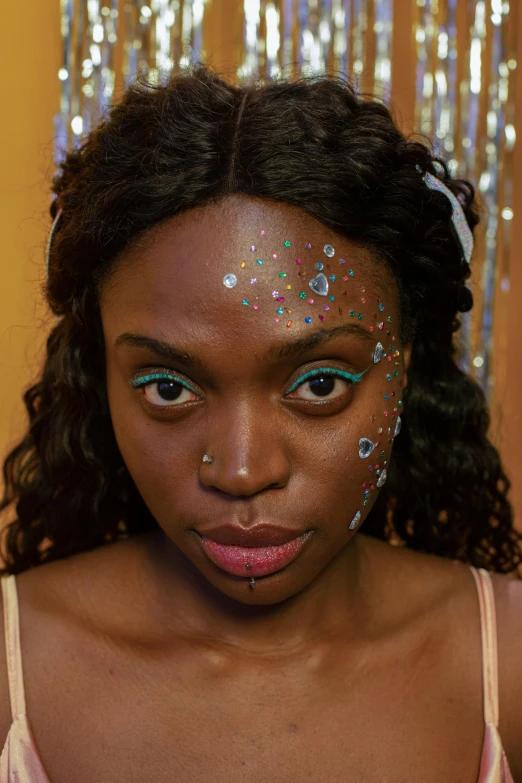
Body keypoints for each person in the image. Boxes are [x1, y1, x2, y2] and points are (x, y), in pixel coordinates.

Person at [0, 63, 520, 782]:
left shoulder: (510, 662)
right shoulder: (8, 671)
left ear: (406, 363)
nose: (243, 471)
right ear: (99, 374)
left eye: (321, 382)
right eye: (167, 387)